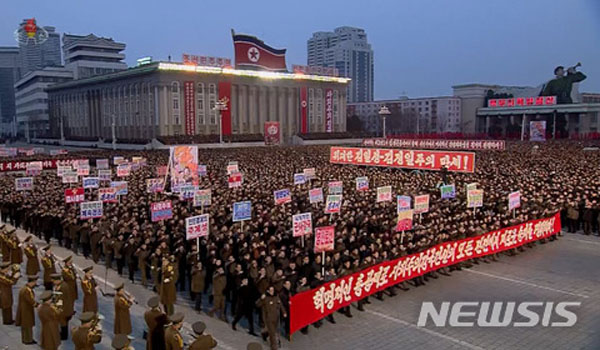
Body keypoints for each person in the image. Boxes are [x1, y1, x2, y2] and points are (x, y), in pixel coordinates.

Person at [256, 285, 286, 350]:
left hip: (276, 318)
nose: (272, 291)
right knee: (272, 334)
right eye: (270, 290)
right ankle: (274, 347)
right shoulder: (265, 298)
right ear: (268, 291)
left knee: (272, 331)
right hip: (268, 318)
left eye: (273, 290)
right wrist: (261, 298)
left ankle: (265, 334)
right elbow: (257, 304)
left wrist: (284, 312)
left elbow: (281, 305)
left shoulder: (276, 297)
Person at [16, 275, 38, 344]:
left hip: (25, 309)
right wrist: (37, 305)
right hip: (26, 310)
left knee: (26, 325)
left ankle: (26, 338)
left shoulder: (25, 288)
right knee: (27, 325)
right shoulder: (27, 290)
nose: (35, 284)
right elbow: (30, 300)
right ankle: (28, 340)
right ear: (32, 282)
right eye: (35, 282)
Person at [52, 272, 74, 340]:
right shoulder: (60, 285)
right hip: (64, 307)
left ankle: (64, 336)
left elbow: (62, 298)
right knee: (62, 322)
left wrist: (57, 306)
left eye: (54, 281)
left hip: (65, 308)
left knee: (63, 322)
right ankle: (63, 334)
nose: (53, 282)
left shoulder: (63, 287)